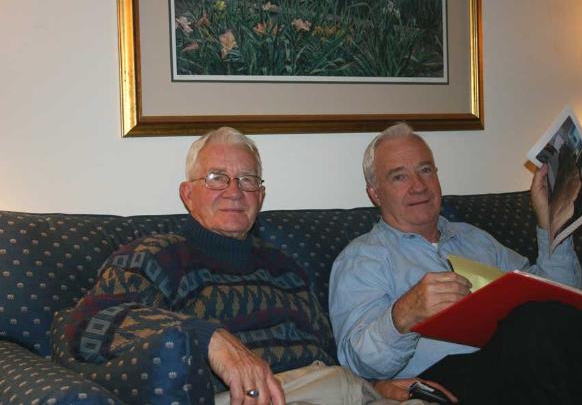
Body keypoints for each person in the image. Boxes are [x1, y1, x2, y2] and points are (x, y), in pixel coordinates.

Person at [58, 127, 456, 405]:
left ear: (261, 196)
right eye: (217, 178)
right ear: (188, 194)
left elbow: (328, 355)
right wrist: (210, 339)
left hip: (335, 390)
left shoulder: (286, 269)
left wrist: (377, 386)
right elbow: (81, 327)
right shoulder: (154, 257)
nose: (235, 192)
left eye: (248, 180)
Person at [329, 123, 582, 404]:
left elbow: (561, 299)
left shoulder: (475, 238)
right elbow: (357, 364)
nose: (419, 186)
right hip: (446, 380)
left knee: (552, 323)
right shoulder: (362, 258)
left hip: (525, 359)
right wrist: (404, 315)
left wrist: (553, 221)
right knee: (533, 323)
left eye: (425, 170)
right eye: (399, 177)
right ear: (375, 193)